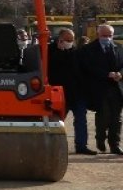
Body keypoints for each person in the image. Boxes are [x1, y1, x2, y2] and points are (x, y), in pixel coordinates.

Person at [78, 24, 123, 155]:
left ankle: (115, 144)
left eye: (110, 35)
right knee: (103, 116)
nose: (107, 38)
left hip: (116, 88)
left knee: (117, 118)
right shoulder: (88, 50)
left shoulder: (119, 48)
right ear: (98, 35)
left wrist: (120, 74)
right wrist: (105, 74)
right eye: (104, 35)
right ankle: (100, 139)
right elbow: (87, 67)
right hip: (99, 89)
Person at [48, 28, 94, 154]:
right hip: (59, 93)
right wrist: (60, 51)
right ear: (60, 38)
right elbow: (51, 68)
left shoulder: (75, 51)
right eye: (67, 40)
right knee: (56, 121)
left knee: (81, 119)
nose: (70, 42)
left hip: (76, 92)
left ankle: (81, 146)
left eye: (71, 40)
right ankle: (52, 147)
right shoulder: (49, 51)